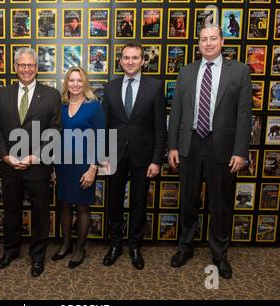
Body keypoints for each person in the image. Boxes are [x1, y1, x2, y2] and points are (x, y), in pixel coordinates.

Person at [168, 25, 252, 279]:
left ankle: (219, 253)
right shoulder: (186, 72)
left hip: (223, 147)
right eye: (203, 39)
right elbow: (177, 112)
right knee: (188, 200)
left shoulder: (239, 71)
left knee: (221, 203)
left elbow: (244, 115)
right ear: (198, 44)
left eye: (213, 38)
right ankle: (185, 247)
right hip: (190, 144)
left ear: (222, 41)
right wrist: (172, 146)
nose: (208, 43)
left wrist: (240, 151)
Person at [0, 47, 61, 277]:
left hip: (38, 166)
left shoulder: (51, 95)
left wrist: (37, 156)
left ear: (37, 68)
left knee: (40, 213)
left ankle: (38, 256)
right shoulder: (1, 95)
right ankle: (10, 250)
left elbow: (56, 130)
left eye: (31, 65)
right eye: (22, 65)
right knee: (11, 210)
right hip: (10, 166)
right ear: (15, 67)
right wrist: (4, 156)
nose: (27, 69)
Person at [102, 42, 167, 270]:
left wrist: (157, 159)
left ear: (143, 61)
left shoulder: (155, 87)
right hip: (115, 155)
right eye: (126, 58)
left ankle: (135, 246)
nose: (130, 61)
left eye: (135, 57)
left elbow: (160, 127)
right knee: (114, 201)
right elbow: (105, 125)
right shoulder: (110, 88)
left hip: (144, 156)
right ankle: (116, 244)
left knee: (139, 202)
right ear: (120, 61)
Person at [52, 66, 105, 268]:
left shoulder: (94, 106)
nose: (75, 84)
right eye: (72, 80)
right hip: (62, 164)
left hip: (85, 165)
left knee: (82, 207)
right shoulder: (61, 106)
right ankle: (66, 244)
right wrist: (54, 166)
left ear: (85, 83)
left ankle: (79, 248)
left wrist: (93, 168)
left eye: (79, 80)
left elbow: (101, 138)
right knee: (64, 205)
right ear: (67, 83)